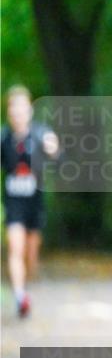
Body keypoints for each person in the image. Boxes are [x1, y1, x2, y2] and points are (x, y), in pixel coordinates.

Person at [1, 86, 60, 318]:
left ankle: (25, 286)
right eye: (13, 109)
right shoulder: (3, 138)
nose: (18, 113)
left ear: (30, 110)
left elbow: (59, 161)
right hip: (14, 202)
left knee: (30, 256)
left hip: (35, 203)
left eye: (22, 108)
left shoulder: (41, 134)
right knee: (15, 248)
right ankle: (19, 295)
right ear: (9, 112)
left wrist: (54, 152)